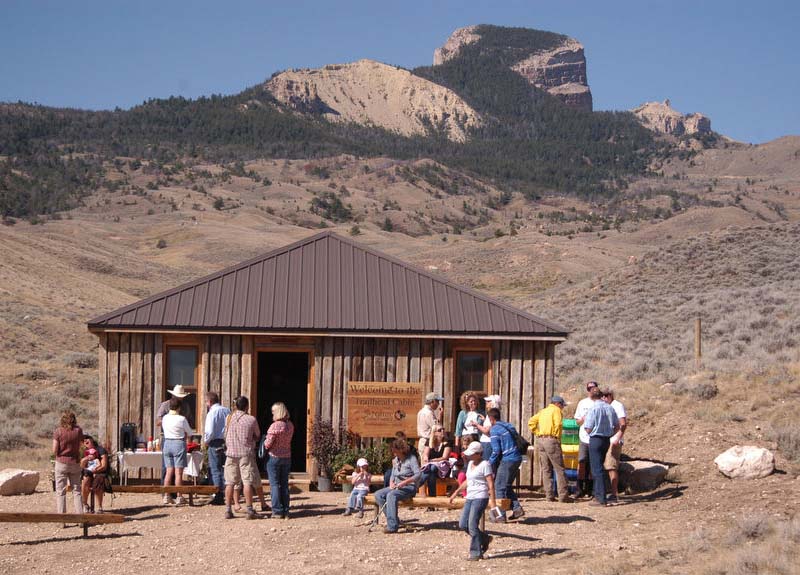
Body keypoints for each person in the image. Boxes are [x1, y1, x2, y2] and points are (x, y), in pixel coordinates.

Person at [449, 441, 496, 561]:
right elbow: (467, 481)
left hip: (480, 497)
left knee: (472, 525)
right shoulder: (470, 463)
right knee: (463, 524)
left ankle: (476, 552)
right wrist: (456, 492)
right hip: (470, 497)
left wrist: (493, 504)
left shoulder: (485, 464)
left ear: (478, 454)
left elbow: (490, 484)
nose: (468, 455)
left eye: (471, 453)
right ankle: (484, 538)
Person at [529, 395, 572, 503]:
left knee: (546, 469)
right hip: (551, 440)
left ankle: (549, 495)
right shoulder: (556, 410)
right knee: (559, 469)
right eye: (562, 405)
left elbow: (531, 422)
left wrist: (537, 433)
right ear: (558, 404)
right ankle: (563, 496)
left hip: (541, 441)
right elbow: (558, 424)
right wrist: (556, 436)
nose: (562, 408)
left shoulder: (543, 411)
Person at [224, 395, 261, 519]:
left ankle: (228, 509)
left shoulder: (229, 418)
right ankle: (250, 509)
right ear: (247, 406)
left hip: (231, 453)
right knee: (247, 481)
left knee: (230, 482)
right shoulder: (251, 419)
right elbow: (257, 435)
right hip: (245, 453)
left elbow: (225, 433)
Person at [373, 438, 421, 534]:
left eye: (395, 451)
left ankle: (392, 526)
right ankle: (394, 520)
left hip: (409, 487)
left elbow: (418, 474)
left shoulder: (411, 459)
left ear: (401, 450)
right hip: (396, 486)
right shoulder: (395, 460)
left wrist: (404, 482)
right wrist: (391, 482)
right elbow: (393, 474)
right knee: (378, 494)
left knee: (391, 495)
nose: (394, 453)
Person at [583, 388, 620, 507]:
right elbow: (617, 426)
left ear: (592, 396)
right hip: (606, 439)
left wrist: (589, 432)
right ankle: (600, 494)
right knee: (601, 467)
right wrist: (610, 434)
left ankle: (600, 498)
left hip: (595, 439)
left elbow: (588, 427)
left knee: (596, 468)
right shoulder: (610, 407)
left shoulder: (593, 408)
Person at [486, 407, 524, 520]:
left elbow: (496, 450)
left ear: (491, 418)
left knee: (499, 486)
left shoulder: (494, 430)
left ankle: (500, 515)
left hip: (508, 459)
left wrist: (489, 463)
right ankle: (517, 509)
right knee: (506, 485)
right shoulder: (508, 425)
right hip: (517, 457)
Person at [264, 401, 294, 519]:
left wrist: (264, 443)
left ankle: (277, 510)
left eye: (273, 411)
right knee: (284, 484)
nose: (272, 413)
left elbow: (268, 444)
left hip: (274, 457)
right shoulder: (290, 425)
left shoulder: (275, 426)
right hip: (286, 456)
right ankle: (286, 509)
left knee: (275, 485)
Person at [161, 396, 193, 505]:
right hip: (178, 443)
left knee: (169, 471)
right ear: (179, 407)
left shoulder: (165, 418)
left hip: (167, 442)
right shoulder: (181, 419)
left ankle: (166, 495)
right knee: (178, 473)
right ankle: (179, 496)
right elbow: (189, 432)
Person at [53, 411, 83, 519]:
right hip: (74, 462)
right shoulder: (78, 430)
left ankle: (62, 520)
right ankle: (80, 518)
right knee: (77, 491)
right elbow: (81, 446)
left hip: (61, 462)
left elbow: (54, 449)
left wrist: (58, 455)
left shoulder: (58, 431)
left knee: (61, 491)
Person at [203, 391, 230, 505]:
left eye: (206, 401)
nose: (206, 404)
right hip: (226, 441)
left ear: (209, 401)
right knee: (225, 468)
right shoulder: (227, 410)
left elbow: (210, 431)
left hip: (215, 442)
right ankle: (227, 492)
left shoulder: (212, 413)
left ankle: (218, 494)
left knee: (215, 468)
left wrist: (206, 441)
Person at [602, 388, 627, 504]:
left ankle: (614, 493)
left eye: (605, 396)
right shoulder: (605, 406)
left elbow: (623, 424)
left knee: (612, 466)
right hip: (607, 438)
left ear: (610, 395)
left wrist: (618, 438)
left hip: (614, 440)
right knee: (607, 466)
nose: (604, 398)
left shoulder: (617, 406)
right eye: (602, 396)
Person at [574, 381, 599, 498]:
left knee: (594, 464)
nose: (592, 390)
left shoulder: (600, 403)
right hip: (584, 438)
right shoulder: (582, 403)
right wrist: (583, 419)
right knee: (582, 462)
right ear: (587, 390)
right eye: (589, 388)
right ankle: (579, 488)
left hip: (596, 437)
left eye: (594, 388)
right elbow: (577, 421)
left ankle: (591, 489)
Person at [420, 424, 452, 496]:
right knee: (431, 472)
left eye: (443, 429)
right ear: (434, 432)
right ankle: (432, 499)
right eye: (440, 430)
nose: (443, 431)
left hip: (443, 468)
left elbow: (444, 457)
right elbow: (425, 454)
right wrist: (425, 458)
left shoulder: (447, 442)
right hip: (432, 469)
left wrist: (432, 461)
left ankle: (415, 486)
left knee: (431, 468)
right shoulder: (429, 441)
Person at [80, 435, 108, 513]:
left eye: (87, 439)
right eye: (83, 440)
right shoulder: (84, 451)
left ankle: (100, 507)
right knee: (85, 481)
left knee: (98, 481)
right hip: (88, 472)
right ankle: (85, 504)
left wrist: (95, 471)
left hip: (99, 471)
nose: (85, 441)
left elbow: (104, 466)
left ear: (92, 440)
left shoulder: (100, 450)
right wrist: (84, 460)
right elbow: (82, 467)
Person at [474, 395, 500, 461]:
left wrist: (477, 425)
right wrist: (484, 419)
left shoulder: (491, 415)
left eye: (488, 401)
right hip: (487, 442)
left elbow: (487, 432)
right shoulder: (494, 414)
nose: (486, 403)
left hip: (487, 443)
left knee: (487, 464)